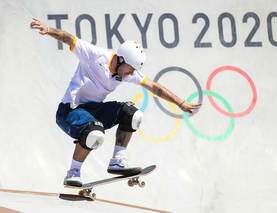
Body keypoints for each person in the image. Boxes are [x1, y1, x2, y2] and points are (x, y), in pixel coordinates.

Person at [30, 18, 201, 187]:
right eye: (130, 68)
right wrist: (49, 30)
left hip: (94, 110)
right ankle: (73, 172)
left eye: (134, 71)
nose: (131, 73)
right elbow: (68, 38)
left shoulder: (127, 71)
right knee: (94, 131)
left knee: (132, 113)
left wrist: (180, 103)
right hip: (69, 112)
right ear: (120, 59)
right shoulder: (94, 55)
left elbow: (154, 87)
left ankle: (117, 161)